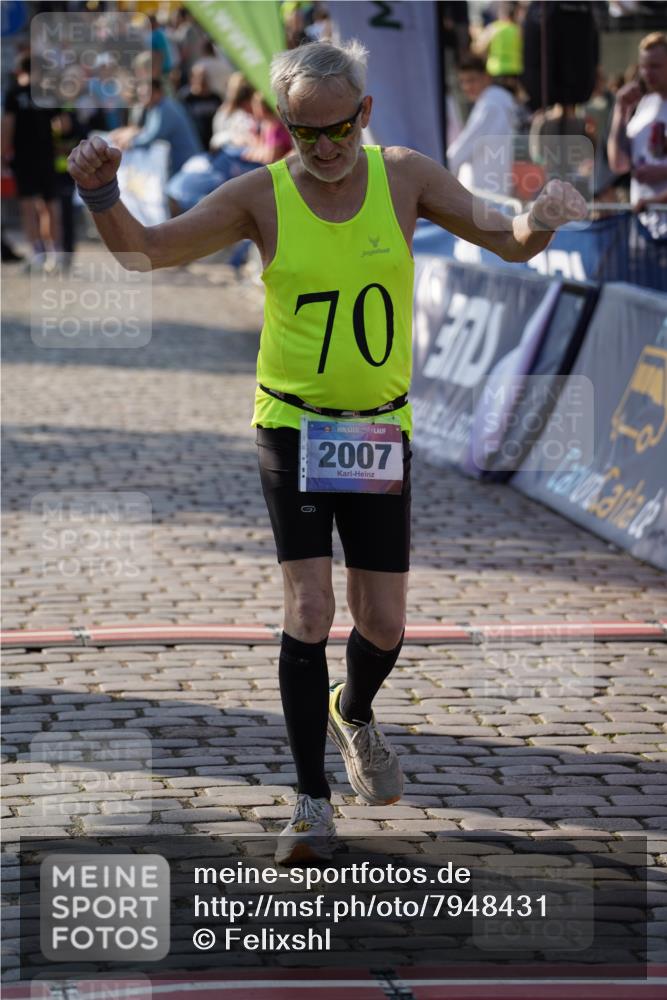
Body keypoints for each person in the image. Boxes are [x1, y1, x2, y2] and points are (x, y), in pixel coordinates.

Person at [67, 39, 586, 865]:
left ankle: (355, 709)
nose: (326, 148)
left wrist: (543, 213)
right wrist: (99, 192)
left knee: (382, 624)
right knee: (308, 609)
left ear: (364, 115)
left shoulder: (406, 176)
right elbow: (146, 251)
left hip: (377, 429)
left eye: (339, 129)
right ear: (284, 128)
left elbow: (510, 240)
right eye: (306, 134)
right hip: (293, 423)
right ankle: (310, 801)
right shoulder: (259, 196)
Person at [607, 31, 667, 238]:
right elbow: (619, 164)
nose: (647, 73)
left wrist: (662, 174)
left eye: (655, 66)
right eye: (643, 66)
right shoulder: (644, 105)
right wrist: (620, 111)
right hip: (644, 229)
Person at [2, 56, 59, 269]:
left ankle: (37, 253)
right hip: (46, 156)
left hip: (23, 159)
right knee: (49, 206)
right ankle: (54, 253)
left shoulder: (14, 94)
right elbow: (60, 124)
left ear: (19, 71)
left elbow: (7, 125)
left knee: (28, 207)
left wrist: (2, 155)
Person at [447, 55, 518, 197]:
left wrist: (437, 169)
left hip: (482, 191)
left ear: (486, 78)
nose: (467, 87)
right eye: (462, 82)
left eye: (471, 80)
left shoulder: (489, 106)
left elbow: (464, 147)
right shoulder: (500, 102)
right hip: (495, 188)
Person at [109, 77, 202, 177]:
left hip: (187, 166)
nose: (142, 98)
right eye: (141, 95)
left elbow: (149, 138)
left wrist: (129, 142)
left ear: (158, 93)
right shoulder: (157, 107)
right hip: (181, 165)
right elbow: (146, 131)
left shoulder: (165, 109)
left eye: (146, 94)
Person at [178, 64, 221, 150]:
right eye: (199, 77)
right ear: (192, 78)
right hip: (194, 143)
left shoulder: (215, 98)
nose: (202, 80)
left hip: (213, 144)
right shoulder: (185, 98)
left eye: (204, 77)